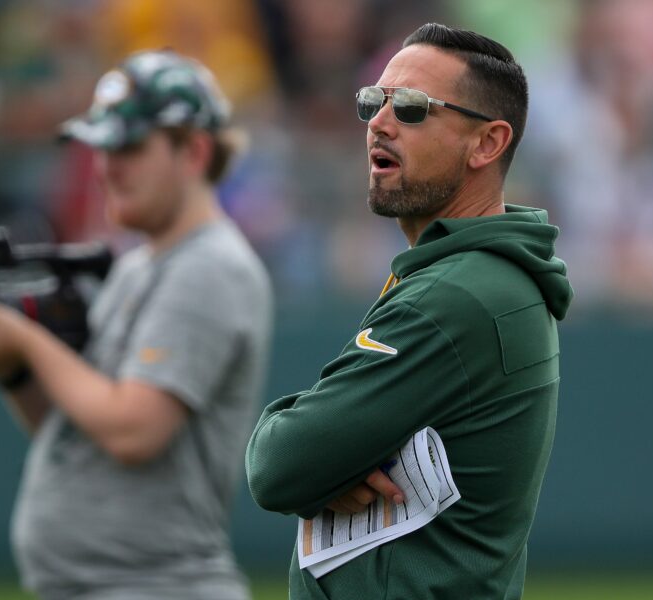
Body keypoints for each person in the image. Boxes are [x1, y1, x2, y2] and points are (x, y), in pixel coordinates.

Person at [246, 23, 573, 600]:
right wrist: (335, 462)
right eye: (374, 101)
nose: (380, 121)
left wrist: (324, 461)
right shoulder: (472, 275)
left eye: (414, 108)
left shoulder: (458, 294)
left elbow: (278, 463)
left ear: (488, 143)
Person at [0, 50, 273, 600]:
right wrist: (13, 371)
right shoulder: (138, 263)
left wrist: (26, 340)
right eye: (101, 147)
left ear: (193, 151)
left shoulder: (209, 266)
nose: (104, 166)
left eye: (127, 146)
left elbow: (132, 431)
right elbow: (80, 427)